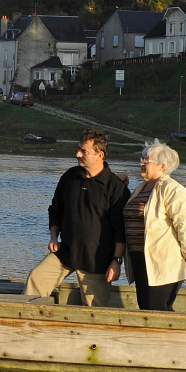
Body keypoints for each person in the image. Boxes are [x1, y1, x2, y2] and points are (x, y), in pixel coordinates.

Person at [23, 129, 127, 305]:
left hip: (96, 261)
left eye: (84, 151)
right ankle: (26, 326)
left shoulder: (116, 188)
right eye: (78, 149)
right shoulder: (70, 176)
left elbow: (120, 230)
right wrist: (54, 237)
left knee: (96, 311)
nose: (77, 154)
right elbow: (55, 209)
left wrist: (116, 262)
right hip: (65, 252)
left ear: (99, 155)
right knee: (36, 279)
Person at [123, 139, 186, 312]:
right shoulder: (140, 189)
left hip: (163, 262)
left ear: (162, 167)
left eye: (146, 160)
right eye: (141, 159)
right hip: (141, 259)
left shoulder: (174, 191)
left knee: (157, 310)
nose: (141, 163)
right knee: (145, 309)